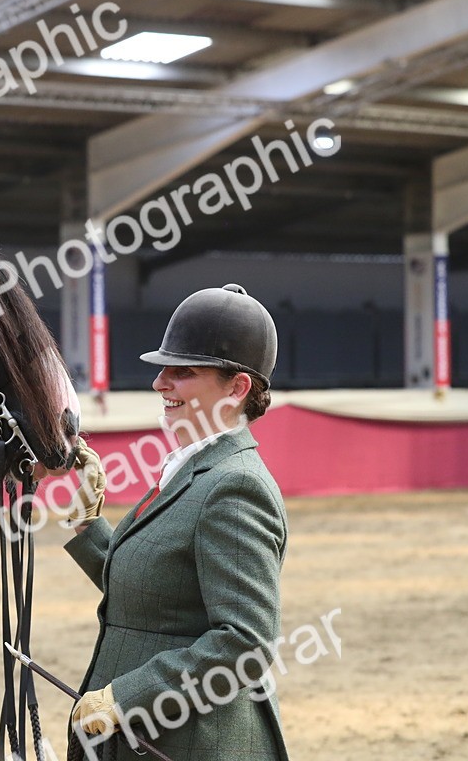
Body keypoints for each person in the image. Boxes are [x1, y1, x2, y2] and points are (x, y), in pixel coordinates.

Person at [63, 283, 290, 761]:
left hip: (187, 741)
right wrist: (89, 525)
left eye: (182, 371)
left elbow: (245, 643)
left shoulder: (235, 487)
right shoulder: (193, 465)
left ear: (238, 387)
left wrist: (127, 698)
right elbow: (162, 591)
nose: (160, 382)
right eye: (162, 369)